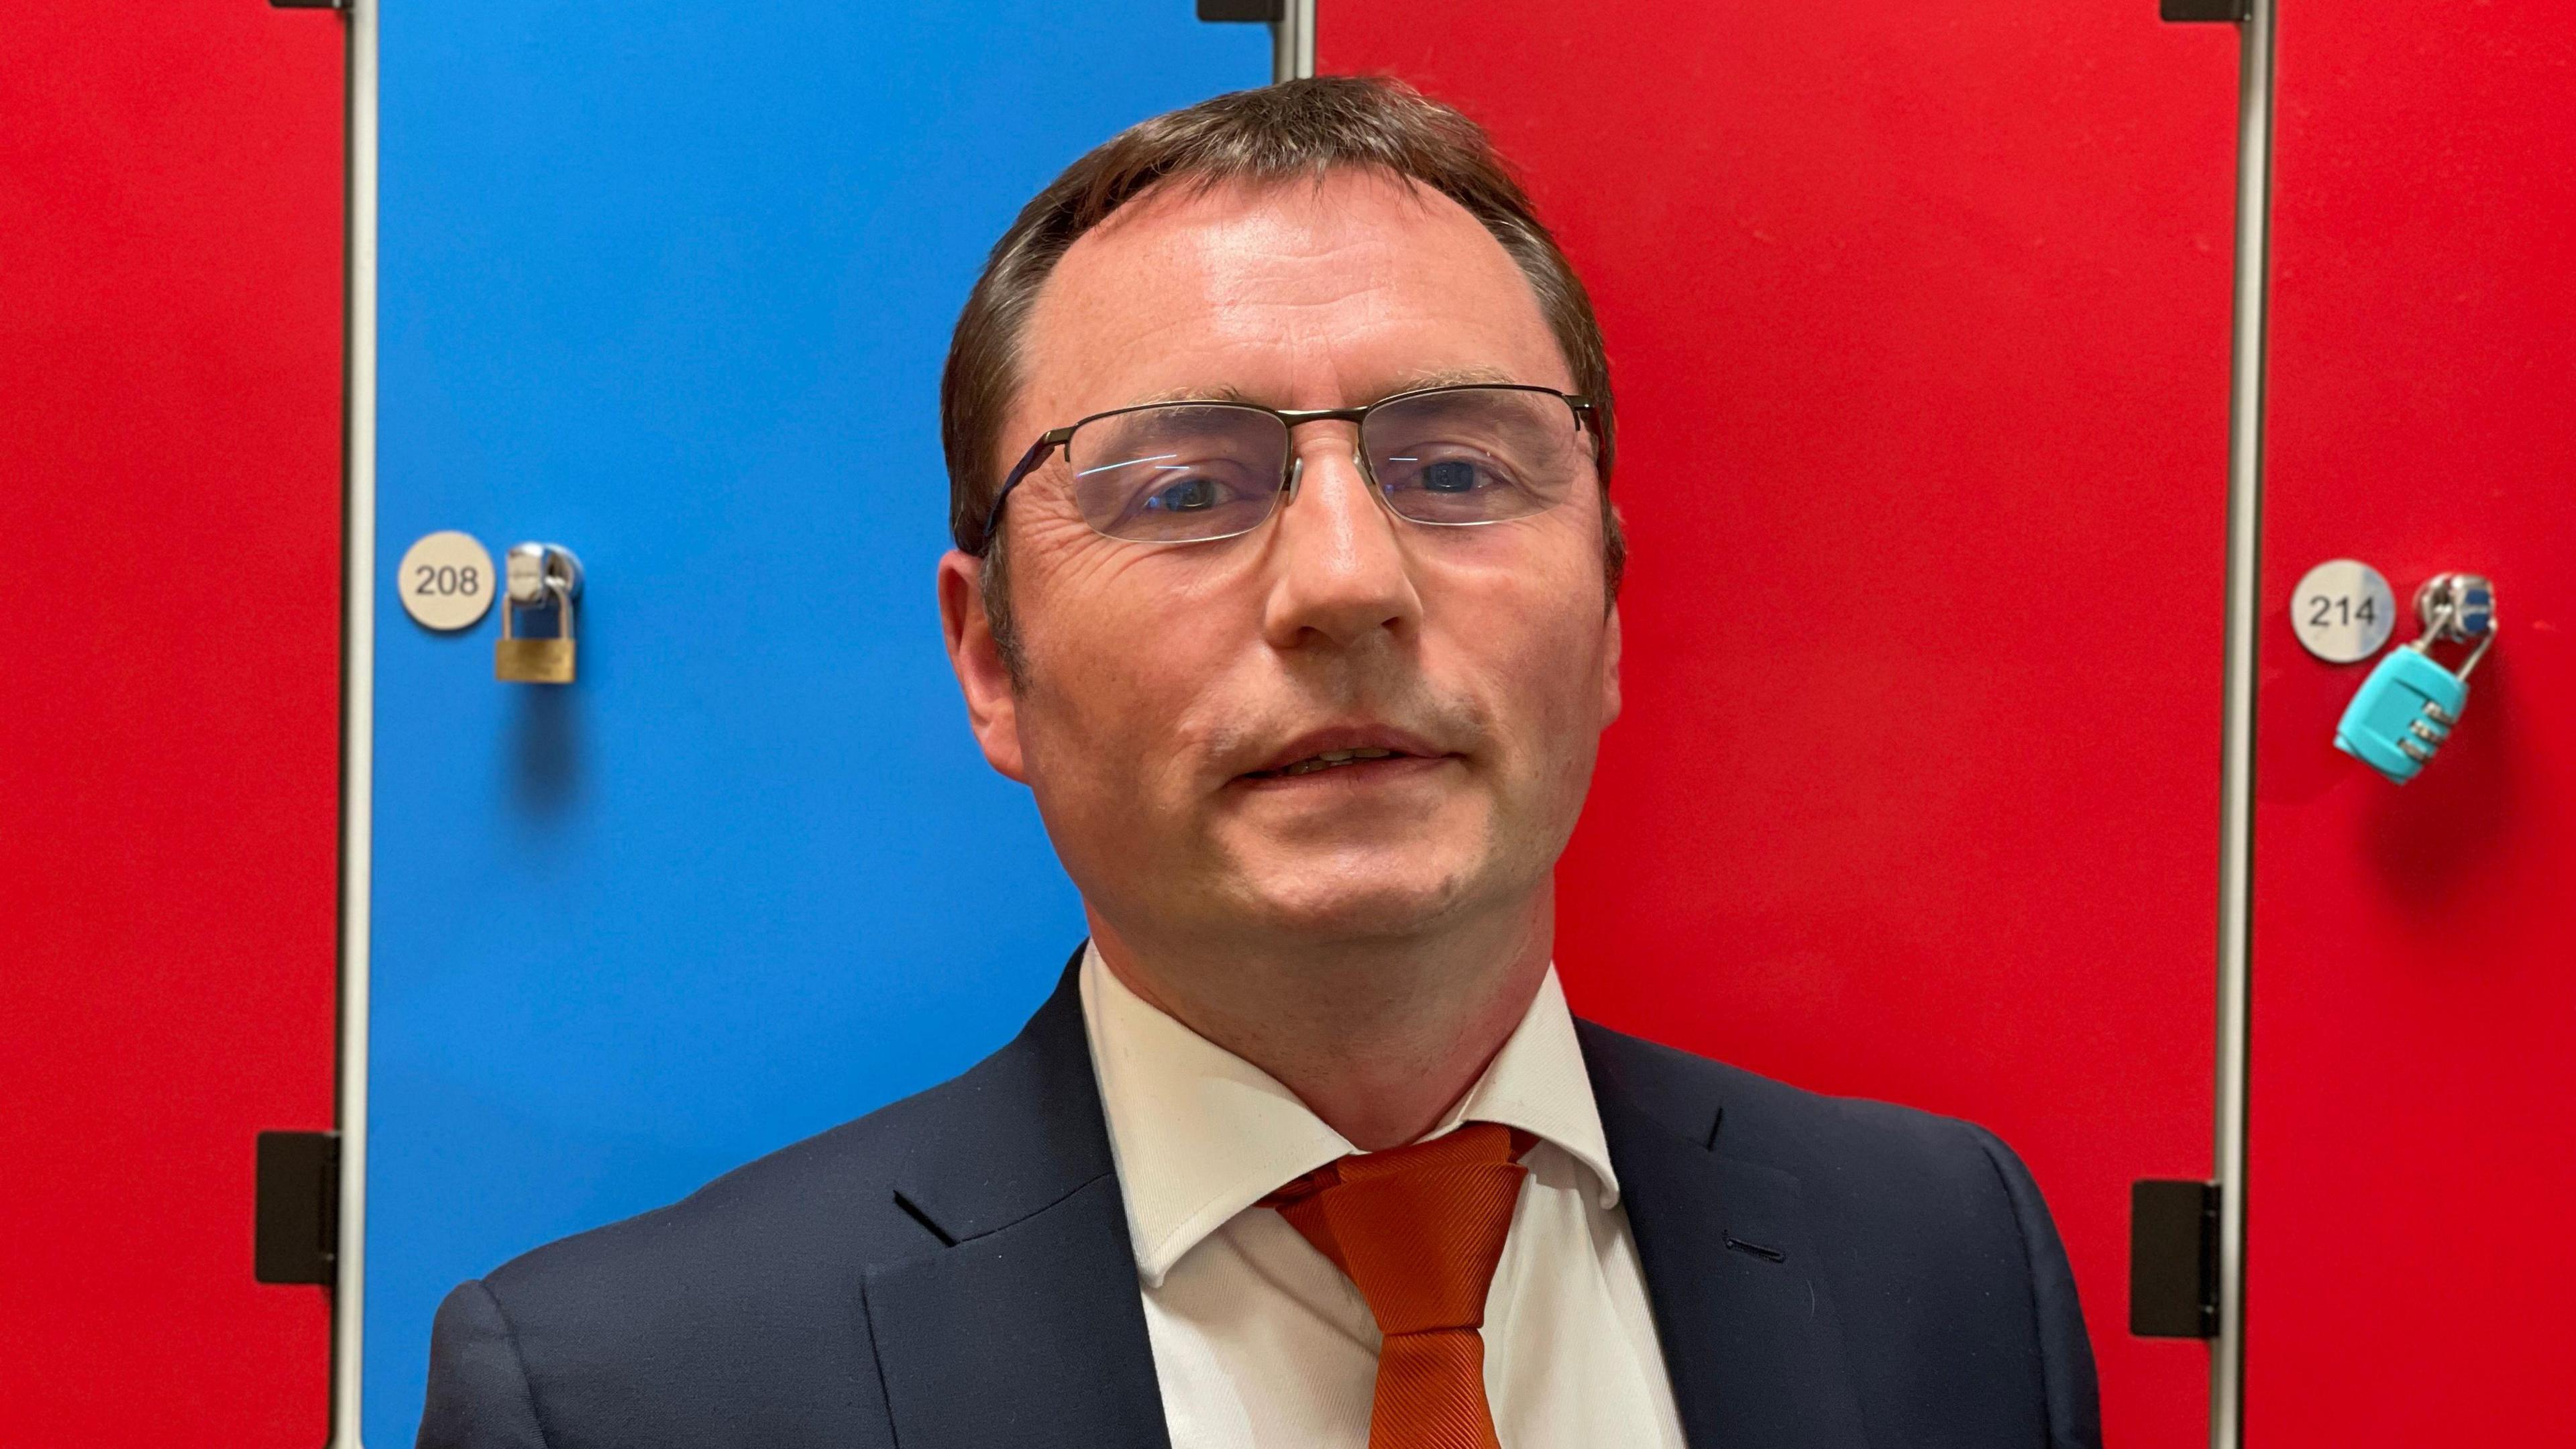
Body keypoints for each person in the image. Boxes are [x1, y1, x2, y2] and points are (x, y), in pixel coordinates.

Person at [417, 77, 2098, 1449]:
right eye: (1182, 492)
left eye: (1454, 468)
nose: (1349, 584)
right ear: (993, 661)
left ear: (1604, 622)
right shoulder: (627, 1394)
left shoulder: (1945, 1263)